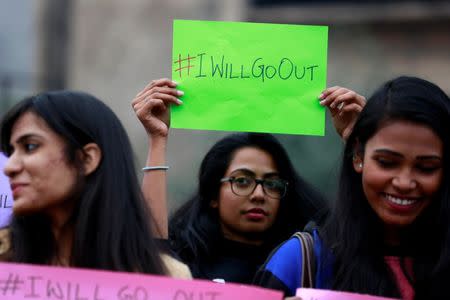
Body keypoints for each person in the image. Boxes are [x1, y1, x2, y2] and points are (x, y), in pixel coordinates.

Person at [132, 78, 365, 283]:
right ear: (213, 194)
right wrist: (157, 137)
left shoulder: (306, 262)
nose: (259, 195)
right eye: (242, 181)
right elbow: (155, 249)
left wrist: (357, 143)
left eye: (272, 184)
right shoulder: (182, 262)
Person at [254, 76, 450, 299]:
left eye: (426, 167)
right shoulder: (299, 262)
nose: (404, 183)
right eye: (386, 162)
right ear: (358, 156)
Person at [0, 91, 191, 279]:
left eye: (30, 146)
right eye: (11, 151)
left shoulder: (164, 278)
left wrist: (157, 140)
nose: (9, 167)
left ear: (87, 159)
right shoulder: (4, 257)